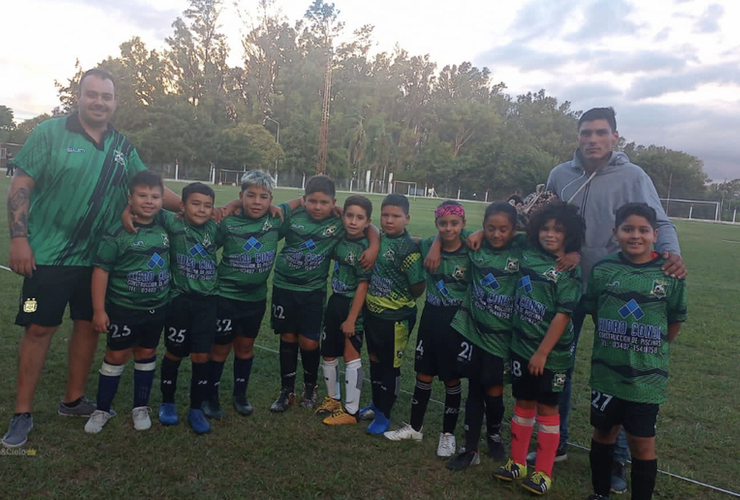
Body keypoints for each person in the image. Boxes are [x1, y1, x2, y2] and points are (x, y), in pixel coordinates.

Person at [3, 68, 181, 448]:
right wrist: (19, 239)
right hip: (46, 258)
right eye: (92, 94)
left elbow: (149, 188)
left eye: (107, 96)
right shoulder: (49, 132)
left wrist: (196, 209)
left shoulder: (121, 144)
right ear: (79, 97)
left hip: (98, 259)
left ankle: (72, 400)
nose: (99, 102)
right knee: (37, 328)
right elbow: (21, 186)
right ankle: (22, 413)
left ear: (115, 102)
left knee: (87, 327)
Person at [538, 107, 686, 494]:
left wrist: (671, 255)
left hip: (617, 290)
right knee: (559, 363)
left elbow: (661, 222)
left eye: (601, 133)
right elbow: (546, 223)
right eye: (586, 133)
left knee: (620, 369)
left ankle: (618, 457)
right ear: (578, 137)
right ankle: (558, 440)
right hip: (566, 286)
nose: (592, 140)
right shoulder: (560, 174)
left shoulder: (633, 176)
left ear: (615, 137)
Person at [584, 203, 686, 500]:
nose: (635, 236)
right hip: (606, 374)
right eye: (628, 229)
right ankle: (600, 493)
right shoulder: (603, 269)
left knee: (642, 443)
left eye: (643, 230)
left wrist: (652, 347)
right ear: (616, 233)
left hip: (646, 378)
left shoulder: (669, 273)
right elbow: (595, 311)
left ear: (655, 234)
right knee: (603, 433)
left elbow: (675, 320)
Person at [494, 201, 585, 496]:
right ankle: (517, 463)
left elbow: (563, 315)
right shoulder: (527, 253)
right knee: (522, 403)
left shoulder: (568, 271)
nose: (550, 234)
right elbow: (500, 233)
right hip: (521, 347)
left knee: (547, 408)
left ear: (569, 235)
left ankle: (544, 472)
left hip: (551, 354)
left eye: (558, 231)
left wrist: (543, 352)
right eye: (545, 228)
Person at [269, 175, 379, 412]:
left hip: (313, 291)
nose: (318, 207)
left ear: (333, 203)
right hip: (284, 288)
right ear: (305, 199)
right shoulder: (294, 217)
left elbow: (369, 226)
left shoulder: (339, 222)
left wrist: (374, 246)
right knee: (287, 337)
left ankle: (310, 387)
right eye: (312, 201)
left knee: (309, 341)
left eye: (324, 202)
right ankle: (286, 390)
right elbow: (274, 215)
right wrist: (297, 203)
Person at [85, 171, 170, 433]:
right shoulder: (117, 232)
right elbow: (101, 271)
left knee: (146, 353)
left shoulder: (166, 225)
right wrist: (99, 310)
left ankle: (140, 407)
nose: (149, 201)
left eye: (155, 196)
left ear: (162, 199)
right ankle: (102, 409)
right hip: (124, 307)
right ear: (129, 198)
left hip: (156, 308)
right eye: (142, 195)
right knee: (116, 355)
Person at [201, 171, 289, 419]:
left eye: (263, 197)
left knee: (245, 346)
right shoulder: (227, 223)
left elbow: (300, 202)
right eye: (250, 196)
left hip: (256, 299)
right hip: (226, 297)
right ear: (241, 196)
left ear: (271, 199)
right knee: (219, 348)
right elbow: (207, 243)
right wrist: (230, 206)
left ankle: (240, 394)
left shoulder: (275, 221)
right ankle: (211, 396)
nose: (257, 202)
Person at [383, 200, 468, 456]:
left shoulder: (472, 249)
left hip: (457, 324)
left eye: (454, 223)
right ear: (436, 224)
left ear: (463, 224)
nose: (448, 228)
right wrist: (435, 244)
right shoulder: (428, 244)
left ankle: (448, 435)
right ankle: (416, 427)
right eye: (443, 223)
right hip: (431, 319)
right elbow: (410, 238)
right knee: (423, 374)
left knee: (451, 378)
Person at [445, 202, 521, 470]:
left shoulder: (520, 250)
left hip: (502, 338)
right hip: (474, 332)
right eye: (491, 228)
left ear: (514, 230)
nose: (497, 234)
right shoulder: (475, 247)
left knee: (495, 390)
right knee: (475, 387)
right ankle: (470, 446)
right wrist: (476, 233)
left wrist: (573, 255)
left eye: (503, 229)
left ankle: (494, 435)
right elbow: (442, 240)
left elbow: (546, 241)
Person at [360, 194, 426, 435]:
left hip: (396, 318)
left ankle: (385, 414)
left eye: (396, 216)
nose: (389, 220)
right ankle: (376, 405)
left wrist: (403, 299)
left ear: (406, 218)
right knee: (375, 360)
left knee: (390, 366)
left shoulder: (409, 248)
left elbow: (418, 284)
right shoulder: (380, 239)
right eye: (385, 215)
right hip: (373, 313)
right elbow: (371, 228)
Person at [157, 182, 218, 434]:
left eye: (207, 206)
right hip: (179, 300)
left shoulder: (215, 229)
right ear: (182, 206)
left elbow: (238, 215)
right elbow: (148, 204)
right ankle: (167, 402)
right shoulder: (173, 224)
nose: (202, 210)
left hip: (207, 302)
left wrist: (234, 204)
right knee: (174, 352)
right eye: (195, 203)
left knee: (202, 356)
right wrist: (129, 211)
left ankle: (195, 407)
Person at [317, 195, 373, 425]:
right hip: (335, 301)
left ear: (367, 222)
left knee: (351, 355)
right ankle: (334, 399)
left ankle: (351, 411)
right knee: (328, 352)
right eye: (349, 215)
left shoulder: (365, 248)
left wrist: (351, 319)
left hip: (352, 307)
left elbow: (363, 285)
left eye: (359, 218)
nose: (353, 221)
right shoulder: (339, 238)